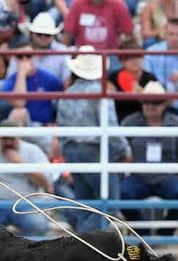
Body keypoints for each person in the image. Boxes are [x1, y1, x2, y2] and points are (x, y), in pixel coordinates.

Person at [56, 45, 132, 232]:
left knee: (85, 205)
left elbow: (62, 127)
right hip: (94, 150)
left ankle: (82, 249)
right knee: (110, 206)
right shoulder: (100, 93)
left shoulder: (68, 94)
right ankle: (82, 242)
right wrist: (124, 150)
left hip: (72, 150)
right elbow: (111, 127)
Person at [119, 81, 178, 233]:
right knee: (122, 193)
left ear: (165, 104)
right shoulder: (130, 123)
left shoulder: (177, 124)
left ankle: (165, 233)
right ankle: (141, 232)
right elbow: (118, 154)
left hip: (168, 177)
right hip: (139, 177)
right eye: (146, 101)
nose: (150, 105)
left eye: (156, 102)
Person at [7, 13, 71, 85]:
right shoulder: (22, 50)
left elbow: (66, 81)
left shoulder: (62, 51)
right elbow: (10, 78)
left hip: (53, 91)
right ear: (32, 34)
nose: (43, 37)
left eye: (47, 35)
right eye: (39, 34)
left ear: (53, 36)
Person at [108, 39, 159, 122]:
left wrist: (142, 95)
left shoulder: (150, 79)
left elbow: (158, 103)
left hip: (145, 121)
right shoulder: (113, 78)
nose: (135, 61)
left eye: (138, 56)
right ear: (121, 61)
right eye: (128, 58)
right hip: (119, 120)